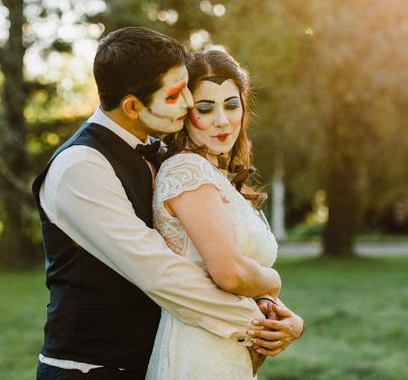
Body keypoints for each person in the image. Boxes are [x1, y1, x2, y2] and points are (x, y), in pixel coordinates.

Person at [32, 27, 302, 380]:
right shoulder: (81, 168)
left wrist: (277, 312)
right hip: (92, 369)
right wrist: (260, 324)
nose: (191, 105)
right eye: (176, 95)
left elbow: (198, 255)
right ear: (132, 106)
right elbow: (163, 274)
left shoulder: (162, 155)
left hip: (157, 361)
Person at [146, 49, 304, 379]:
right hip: (199, 350)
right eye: (205, 108)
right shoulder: (186, 171)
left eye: (231, 105)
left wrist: (288, 318)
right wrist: (273, 283)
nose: (222, 120)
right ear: (185, 112)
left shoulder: (216, 176)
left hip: (230, 349)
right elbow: (229, 274)